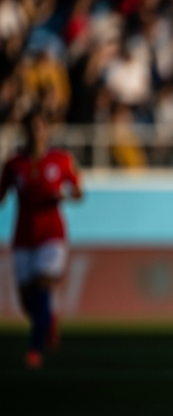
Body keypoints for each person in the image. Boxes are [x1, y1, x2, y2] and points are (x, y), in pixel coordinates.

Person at [0, 110, 82, 369]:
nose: (37, 133)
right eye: (32, 127)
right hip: (24, 236)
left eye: (41, 127)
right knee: (27, 302)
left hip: (52, 234)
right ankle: (49, 318)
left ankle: (34, 350)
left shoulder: (61, 159)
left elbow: (78, 192)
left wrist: (64, 197)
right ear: (25, 131)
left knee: (43, 284)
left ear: (47, 130)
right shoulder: (14, 164)